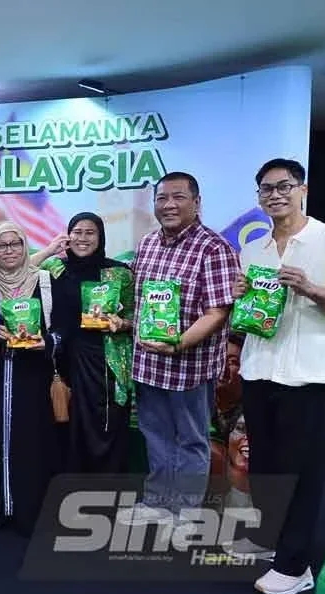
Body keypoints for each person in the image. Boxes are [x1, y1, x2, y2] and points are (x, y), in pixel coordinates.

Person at [229, 158, 325, 594]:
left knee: (303, 472)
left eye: (284, 186)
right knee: (266, 466)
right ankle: (273, 541)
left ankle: (296, 566)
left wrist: (311, 289)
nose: (275, 195)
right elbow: (250, 314)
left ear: (303, 189)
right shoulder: (255, 248)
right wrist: (240, 299)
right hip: (259, 370)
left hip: (308, 376)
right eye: (266, 189)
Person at [123, 172, 240, 527]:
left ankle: (186, 513)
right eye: (162, 198)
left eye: (178, 197)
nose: (169, 205)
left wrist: (180, 343)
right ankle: (158, 502)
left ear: (197, 202)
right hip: (148, 365)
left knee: (191, 440)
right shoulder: (147, 244)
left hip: (190, 367)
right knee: (155, 435)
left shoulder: (214, 248)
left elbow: (218, 312)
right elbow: (141, 303)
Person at [0, 222, 61, 536]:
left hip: (33, 378)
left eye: (15, 244)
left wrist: (49, 340)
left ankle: (31, 512)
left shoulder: (44, 281)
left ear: (25, 245)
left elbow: (66, 327)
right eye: (1, 246)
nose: (9, 251)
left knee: (33, 443)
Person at [50, 213, 135, 474]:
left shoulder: (119, 273)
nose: (82, 238)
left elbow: (136, 315)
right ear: (68, 235)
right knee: (68, 429)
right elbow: (18, 274)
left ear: (100, 237)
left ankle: (110, 498)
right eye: (77, 231)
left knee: (107, 427)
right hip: (64, 366)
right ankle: (74, 498)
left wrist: (122, 324)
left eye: (90, 232)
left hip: (106, 364)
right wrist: (50, 250)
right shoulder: (55, 268)